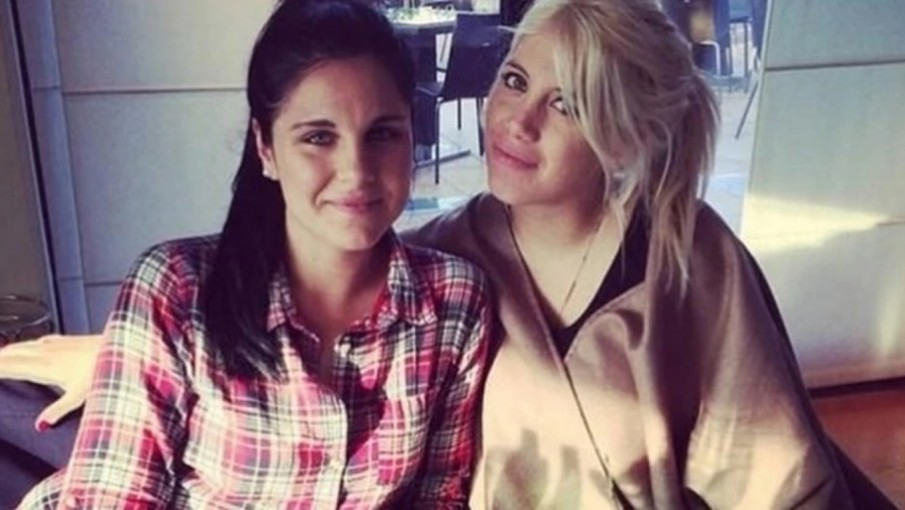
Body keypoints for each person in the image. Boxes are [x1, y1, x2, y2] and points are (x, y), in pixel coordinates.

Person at [0, 0, 880, 507]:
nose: (517, 121)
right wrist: (122, 350)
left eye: (568, 104)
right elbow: (310, 272)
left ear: (624, 135)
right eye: (514, 80)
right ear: (264, 146)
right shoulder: (447, 255)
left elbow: (772, 470)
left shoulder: (666, 262)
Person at [5, 0, 492, 508]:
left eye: (383, 133)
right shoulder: (175, 288)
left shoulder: (455, 302)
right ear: (266, 149)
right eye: (318, 137)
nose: (356, 170)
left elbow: (438, 495)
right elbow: (114, 497)